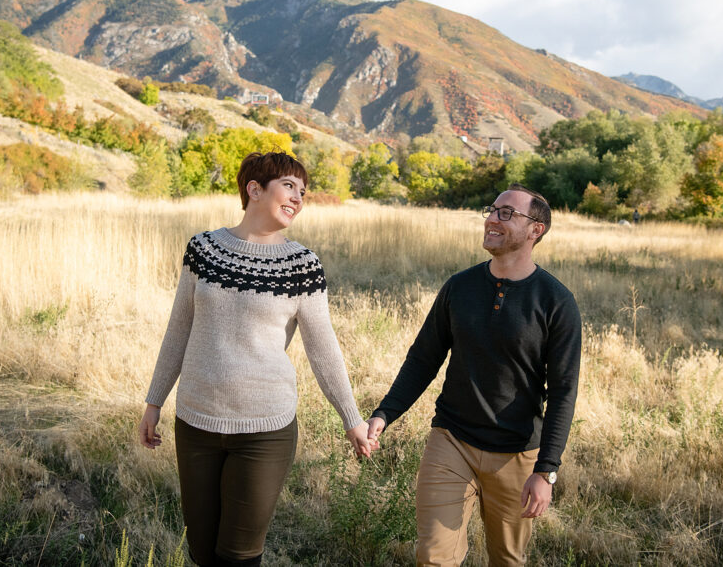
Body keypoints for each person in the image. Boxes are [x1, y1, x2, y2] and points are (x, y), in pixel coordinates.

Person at [139, 151, 372, 567]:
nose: (299, 198)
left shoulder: (302, 264)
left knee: (239, 556)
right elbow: (179, 328)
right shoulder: (203, 249)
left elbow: (323, 348)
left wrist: (351, 418)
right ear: (254, 189)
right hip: (195, 423)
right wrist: (154, 401)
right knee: (202, 551)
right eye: (289, 186)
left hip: (265, 431)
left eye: (303, 192)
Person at [366, 183, 582, 567]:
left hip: (517, 454)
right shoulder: (460, 287)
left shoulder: (556, 302)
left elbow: (563, 391)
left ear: (536, 229)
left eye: (506, 213)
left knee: (507, 559)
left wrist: (545, 470)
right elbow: (423, 358)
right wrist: (385, 413)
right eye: (492, 210)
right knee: (433, 557)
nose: (491, 219)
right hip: (452, 440)